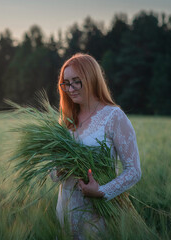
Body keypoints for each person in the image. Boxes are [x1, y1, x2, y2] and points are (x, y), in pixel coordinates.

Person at [50, 53, 141, 239]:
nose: (70, 88)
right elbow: (52, 173)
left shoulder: (114, 117)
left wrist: (102, 191)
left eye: (76, 81)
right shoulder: (65, 120)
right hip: (65, 211)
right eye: (66, 83)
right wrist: (58, 170)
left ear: (91, 79)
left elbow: (134, 171)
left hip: (96, 215)